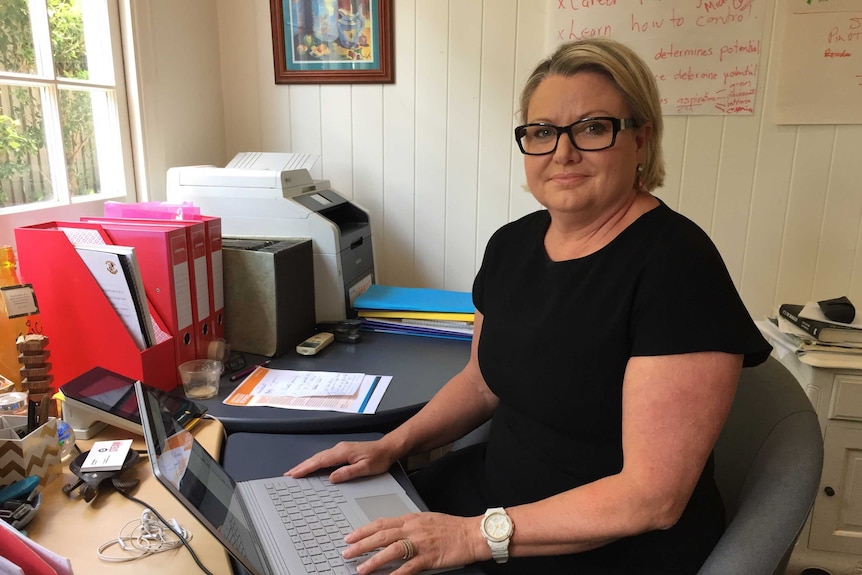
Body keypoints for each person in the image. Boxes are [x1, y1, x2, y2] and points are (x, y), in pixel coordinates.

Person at [287, 37, 772, 575]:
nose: (562, 152)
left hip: (604, 544)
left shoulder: (678, 266)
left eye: (591, 128)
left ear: (641, 140)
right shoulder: (512, 245)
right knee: (322, 544)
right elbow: (480, 381)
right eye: (542, 132)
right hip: (493, 499)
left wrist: (472, 537)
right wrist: (389, 446)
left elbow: (651, 499)